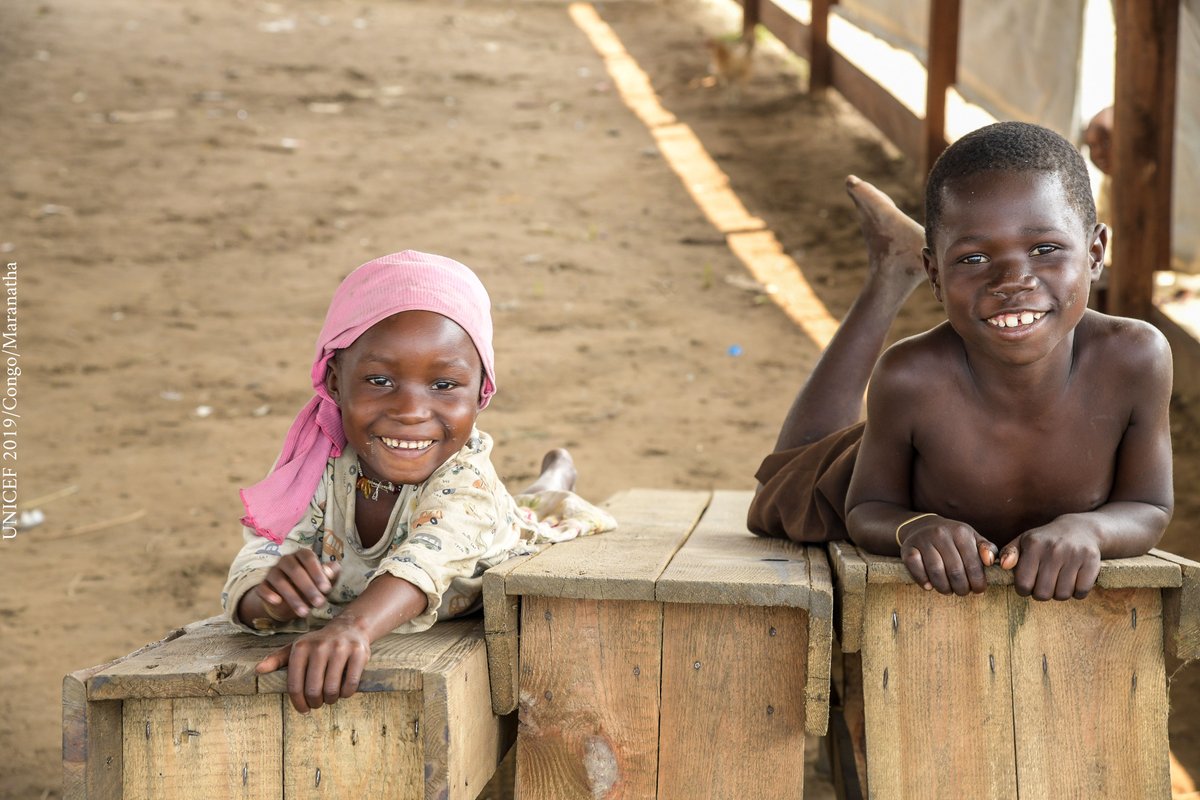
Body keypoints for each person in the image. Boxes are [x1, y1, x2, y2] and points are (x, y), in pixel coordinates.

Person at [749, 121, 1173, 602]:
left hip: (917, 441)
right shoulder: (912, 378)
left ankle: (897, 261)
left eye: (1045, 249)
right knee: (776, 490)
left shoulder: (1136, 359)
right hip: (874, 466)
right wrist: (915, 526)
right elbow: (867, 507)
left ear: (1095, 253)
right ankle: (890, 273)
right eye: (973, 259)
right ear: (935, 273)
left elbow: (1149, 505)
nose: (1012, 281)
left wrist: (1089, 530)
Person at [222, 250, 616, 713]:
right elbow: (262, 551)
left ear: (482, 391)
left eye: (444, 385)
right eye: (379, 380)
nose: (410, 411)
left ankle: (557, 475)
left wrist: (352, 627)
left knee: (540, 513)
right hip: (471, 519)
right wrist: (269, 597)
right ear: (335, 382)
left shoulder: (467, 479)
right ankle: (549, 479)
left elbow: (423, 562)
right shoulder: (314, 460)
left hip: (501, 538)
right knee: (526, 502)